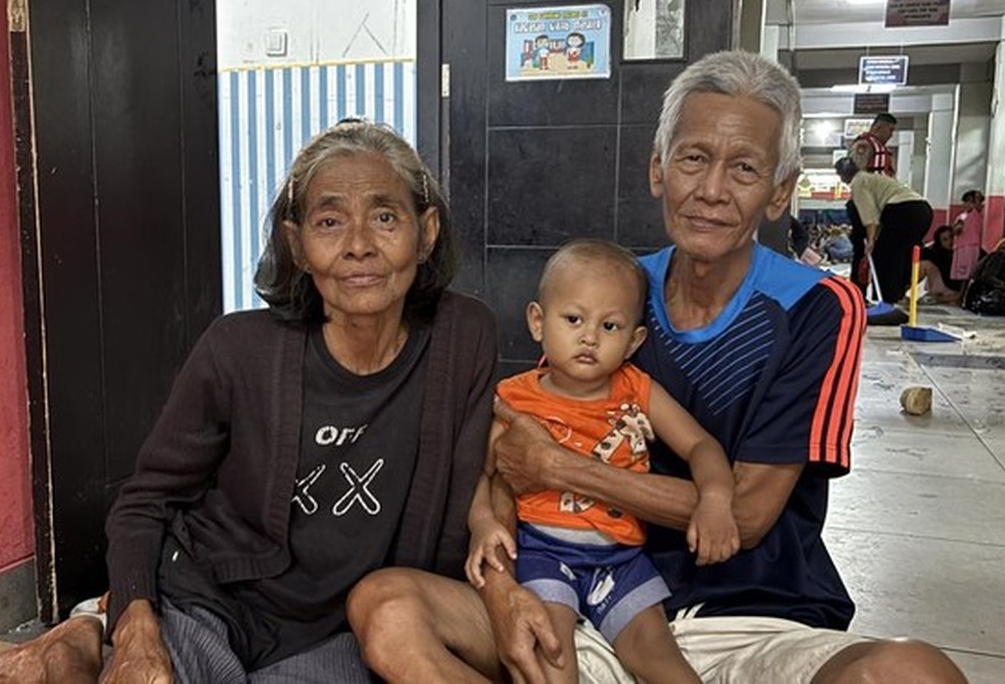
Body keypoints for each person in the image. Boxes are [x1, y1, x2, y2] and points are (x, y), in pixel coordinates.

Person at [346, 51, 966, 684]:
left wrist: (563, 467)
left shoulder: (813, 307)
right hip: (576, 605)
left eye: (745, 168)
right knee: (387, 607)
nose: (712, 190)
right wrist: (504, 590)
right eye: (693, 158)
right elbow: (520, 451)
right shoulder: (610, 291)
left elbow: (744, 517)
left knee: (914, 672)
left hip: (750, 622)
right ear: (657, 169)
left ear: (780, 193)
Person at [0, 119, 498, 684]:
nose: (359, 245)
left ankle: (82, 639)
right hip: (210, 600)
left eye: (385, 217)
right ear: (296, 244)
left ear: (426, 233)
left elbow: (480, 482)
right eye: (329, 221)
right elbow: (145, 501)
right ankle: (98, 633)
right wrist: (137, 632)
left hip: (341, 634)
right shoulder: (238, 349)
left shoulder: (463, 337)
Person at [466, 239, 739, 684]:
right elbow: (484, 473)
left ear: (634, 341)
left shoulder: (637, 390)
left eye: (610, 326)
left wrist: (716, 498)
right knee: (550, 659)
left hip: (623, 561)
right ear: (538, 322)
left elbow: (700, 446)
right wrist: (482, 522)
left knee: (666, 664)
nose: (589, 336)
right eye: (573, 320)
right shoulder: (514, 399)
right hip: (543, 554)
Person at [836, 156, 934, 306]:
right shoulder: (872, 178)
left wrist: (870, 241)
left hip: (903, 210)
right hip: (923, 211)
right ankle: (897, 294)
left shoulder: (858, 182)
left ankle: (886, 300)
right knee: (903, 256)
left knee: (884, 257)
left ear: (843, 175)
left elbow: (870, 216)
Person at [845, 113, 897, 292]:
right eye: (890, 130)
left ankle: (877, 291)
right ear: (878, 127)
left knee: (877, 250)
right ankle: (857, 291)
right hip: (863, 203)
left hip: (878, 203)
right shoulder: (864, 145)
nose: (891, 134)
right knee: (862, 249)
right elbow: (856, 173)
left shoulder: (882, 149)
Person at [918, 225, 962, 305]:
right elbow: (921, 254)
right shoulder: (939, 253)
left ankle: (940, 298)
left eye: (951, 237)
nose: (950, 242)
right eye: (945, 240)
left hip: (957, 291)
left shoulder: (964, 251)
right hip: (945, 286)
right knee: (924, 264)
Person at [950, 190, 984, 285]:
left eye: (971, 201)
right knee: (962, 273)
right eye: (966, 201)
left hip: (970, 246)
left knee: (968, 272)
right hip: (962, 246)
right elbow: (956, 229)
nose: (967, 204)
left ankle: (963, 293)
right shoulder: (962, 216)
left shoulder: (976, 214)